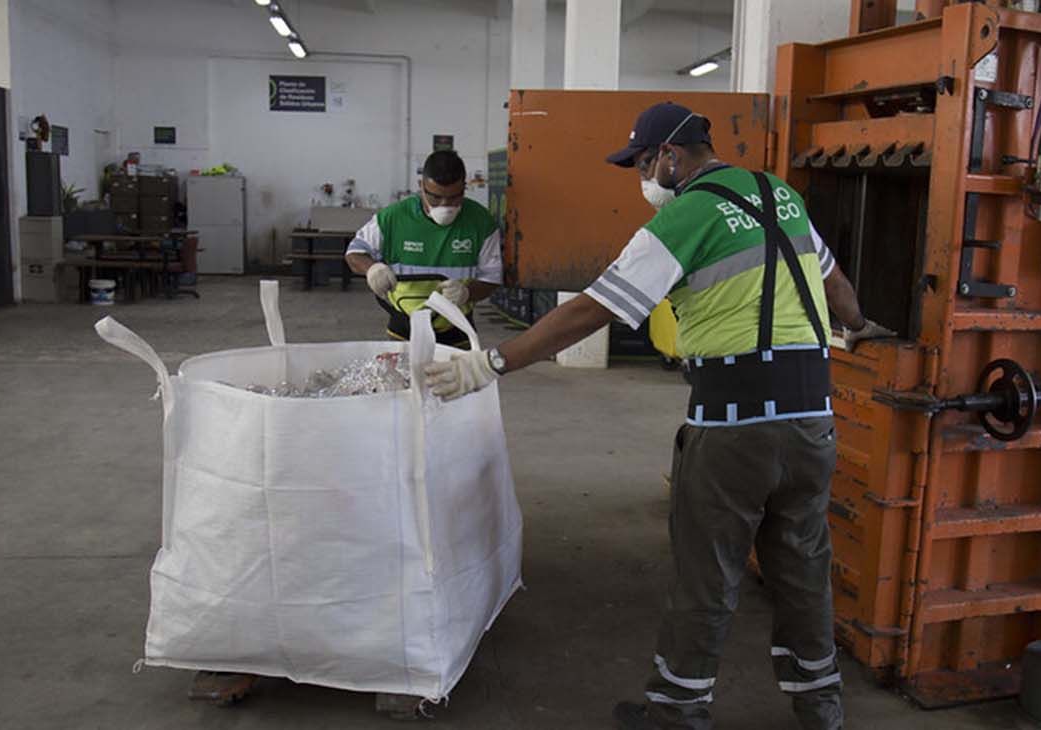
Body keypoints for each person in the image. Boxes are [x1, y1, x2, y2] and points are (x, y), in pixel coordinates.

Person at [421, 102, 893, 730]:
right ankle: (821, 708)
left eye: (643, 164)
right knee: (805, 567)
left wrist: (492, 363)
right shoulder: (782, 195)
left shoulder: (686, 214)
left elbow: (596, 308)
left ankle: (677, 711)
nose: (642, 179)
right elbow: (840, 295)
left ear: (671, 156)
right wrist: (863, 330)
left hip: (734, 427)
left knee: (709, 572)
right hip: (813, 423)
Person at [345, 150, 502, 346]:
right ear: (421, 187)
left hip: (457, 328)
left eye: (454, 198)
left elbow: (492, 278)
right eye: (435, 198)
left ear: (464, 187)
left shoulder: (481, 222)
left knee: (457, 376)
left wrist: (467, 292)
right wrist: (372, 268)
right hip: (403, 327)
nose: (445, 205)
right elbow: (354, 253)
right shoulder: (393, 218)